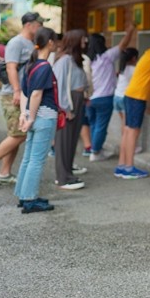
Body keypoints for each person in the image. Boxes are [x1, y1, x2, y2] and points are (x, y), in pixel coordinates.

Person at [0, 12, 43, 186]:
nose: (40, 27)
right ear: (29, 24)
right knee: (19, 134)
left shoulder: (31, 43)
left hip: (22, 94)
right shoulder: (16, 42)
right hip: (14, 95)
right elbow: (11, 67)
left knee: (16, 133)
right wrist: (16, 90)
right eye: (39, 23)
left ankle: (5, 172)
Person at [14, 27, 60, 214]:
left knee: (28, 158)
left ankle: (24, 195)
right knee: (37, 160)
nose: (56, 44)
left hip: (33, 117)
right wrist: (31, 117)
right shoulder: (44, 66)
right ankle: (30, 199)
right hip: (43, 117)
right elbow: (36, 94)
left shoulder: (30, 65)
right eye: (55, 40)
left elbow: (26, 93)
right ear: (50, 42)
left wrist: (25, 115)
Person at [85, 24, 136, 161]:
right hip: (104, 98)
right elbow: (123, 44)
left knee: (95, 125)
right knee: (101, 126)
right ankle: (95, 152)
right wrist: (130, 31)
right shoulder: (106, 57)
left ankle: (95, 150)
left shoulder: (88, 60)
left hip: (89, 98)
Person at [52, 30, 89, 190]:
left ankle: (68, 173)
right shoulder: (65, 60)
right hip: (70, 102)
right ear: (75, 40)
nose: (85, 41)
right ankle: (63, 177)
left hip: (78, 100)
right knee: (64, 140)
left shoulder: (75, 59)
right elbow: (59, 85)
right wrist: (65, 108)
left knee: (72, 140)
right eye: (83, 38)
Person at [117, 42, 150, 179]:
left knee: (128, 130)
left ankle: (122, 166)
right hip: (137, 97)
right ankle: (129, 168)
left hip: (130, 95)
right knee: (133, 132)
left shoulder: (149, 53)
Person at [113, 47, 139, 129]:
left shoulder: (121, 69)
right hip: (124, 98)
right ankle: (125, 141)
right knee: (126, 124)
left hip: (116, 97)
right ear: (134, 58)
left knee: (123, 122)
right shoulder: (134, 69)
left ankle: (124, 141)